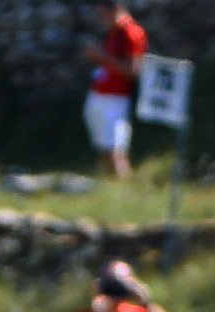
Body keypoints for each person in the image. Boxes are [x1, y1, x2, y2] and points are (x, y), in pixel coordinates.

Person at [83, 1, 147, 180]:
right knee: (104, 150)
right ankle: (110, 187)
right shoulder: (114, 32)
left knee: (116, 152)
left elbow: (133, 70)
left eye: (104, 14)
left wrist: (102, 57)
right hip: (102, 96)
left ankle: (124, 191)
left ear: (116, 9)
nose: (102, 19)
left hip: (115, 100)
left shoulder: (130, 32)